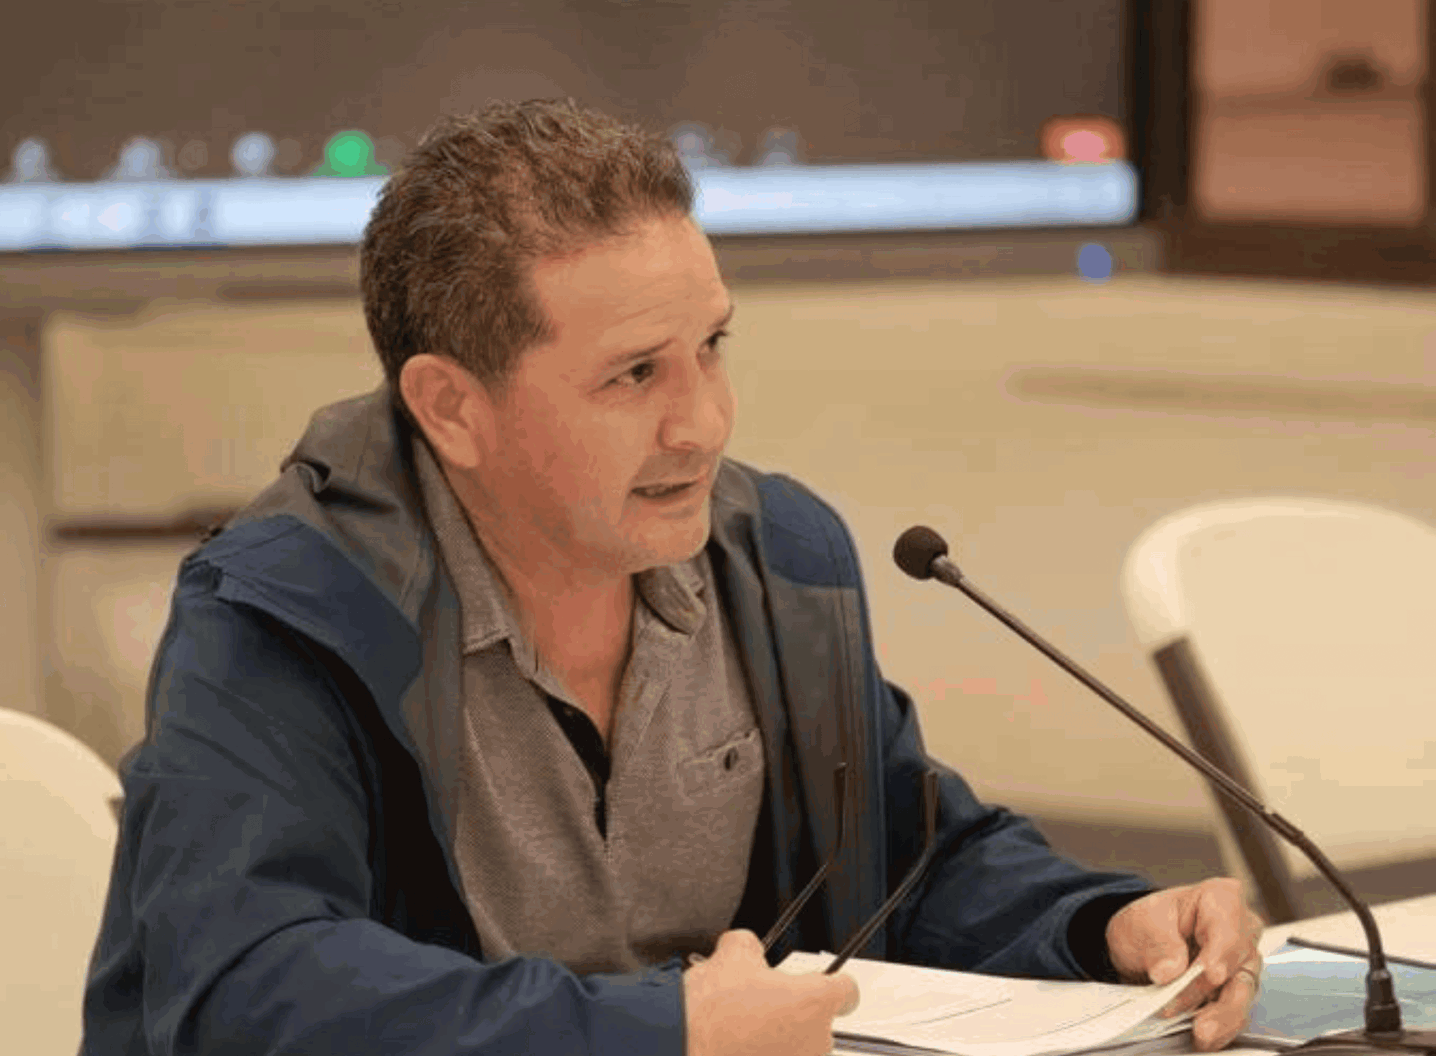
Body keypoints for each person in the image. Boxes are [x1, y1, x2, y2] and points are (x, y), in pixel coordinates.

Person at [82, 99, 1265, 1056]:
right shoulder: (288, 610)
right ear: (452, 407)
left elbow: (907, 862)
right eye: (632, 375)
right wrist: (662, 1031)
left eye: (710, 348)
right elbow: (246, 987)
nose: (700, 423)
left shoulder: (776, 557)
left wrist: (1106, 923)